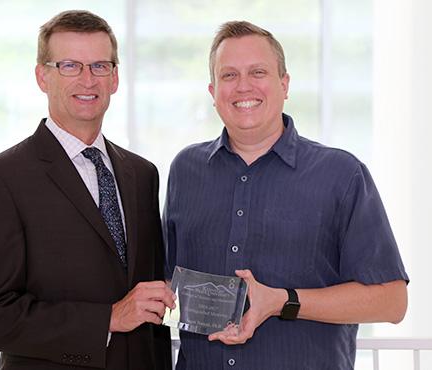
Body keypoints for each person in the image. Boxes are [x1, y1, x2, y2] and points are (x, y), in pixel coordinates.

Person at [163, 21, 408, 370]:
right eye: (229, 75)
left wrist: (283, 301)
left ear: (284, 84)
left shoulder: (341, 174)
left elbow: (391, 301)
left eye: (258, 72)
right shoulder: (186, 170)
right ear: (213, 90)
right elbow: (168, 278)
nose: (243, 86)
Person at [0, 10, 174, 370]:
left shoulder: (142, 174)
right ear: (42, 76)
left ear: (115, 78)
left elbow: (147, 298)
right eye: (70, 66)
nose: (87, 80)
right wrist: (106, 318)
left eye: (99, 66)